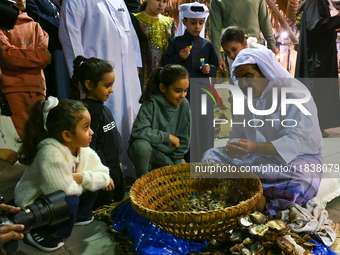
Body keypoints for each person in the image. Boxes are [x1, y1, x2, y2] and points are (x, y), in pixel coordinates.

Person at [202, 49, 323, 216]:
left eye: (248, 76)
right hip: (257, 157)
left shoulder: (295, 94)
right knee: (210, 156)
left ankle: (252, 196)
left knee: (301, 182)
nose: (243, 84)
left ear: (265, 72)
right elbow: (237, 132)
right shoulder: (244, 97)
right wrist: (236, 146)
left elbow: (293, 143)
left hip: (299, 158)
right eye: (239, 79)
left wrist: (252, 147)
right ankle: (254, 195)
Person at [14, 97, 111, 252]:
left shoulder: (82, 150)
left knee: (89, 180)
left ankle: (79, 215)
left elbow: (105, 175)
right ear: (67, 135)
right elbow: (62, 192)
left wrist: (81, 177)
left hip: (64, 189)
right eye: (86, 127)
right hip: (33, 201)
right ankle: (44, 233)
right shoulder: (50, 153)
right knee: (70, 200)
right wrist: (87, 178)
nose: (92, 132)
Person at [59, 0, 142, 174]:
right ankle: (105, 172)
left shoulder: (118, 0)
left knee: (129, 116)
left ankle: (128, 170)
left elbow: (131, 35)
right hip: (97, 77)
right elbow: (71, 38)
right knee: (101, 125)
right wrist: (82, 75)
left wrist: (136, 62)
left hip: (126, 71)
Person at [163, 2, 218, 162]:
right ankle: (184, 159)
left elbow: (214, 64)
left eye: (201, 22)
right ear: (185, 21)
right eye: (193, 22)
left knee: (203, 124)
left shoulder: (207, 45)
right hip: (182, 94)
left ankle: (204, 158)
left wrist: (210, 69)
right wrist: (178, 58)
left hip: (202, 91)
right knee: (185, 124)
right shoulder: (176, 43)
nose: (197, 26)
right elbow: (165, 66)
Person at [71, 56, 124, 209]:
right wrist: (103, 174)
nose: (111, 90)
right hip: (102, 172)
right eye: (107, 85)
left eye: (112, 85)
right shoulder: (86, 112)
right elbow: (90, 148)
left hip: (113, 168)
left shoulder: (102, 108)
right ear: (89, 84)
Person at [128, 64, 191, 178]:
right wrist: (167, 137)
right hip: (150, 152)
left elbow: (184, 137)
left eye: (185, 90)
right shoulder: (151, 102)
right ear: (163, 88)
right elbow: (138, 130)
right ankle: (142, 183)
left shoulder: (184, 104)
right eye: (178, 91)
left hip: (167, 157)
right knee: (141, 146)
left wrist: (177, 161)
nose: (182, 95)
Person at [0, 0, 51, 139]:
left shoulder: (37, 27)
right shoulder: (3, 25)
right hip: (12, 89)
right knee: (17, 140)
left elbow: (10, 55)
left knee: (37, 139)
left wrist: (18, 56)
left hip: (36, 89)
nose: (21, 0)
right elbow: (7, 56)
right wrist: (39, 58)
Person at [295, 0, 340, 138]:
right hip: (316, 60)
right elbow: (315, 25)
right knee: (317, 92)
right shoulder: (316, 1)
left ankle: (316, 126)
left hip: (318, 58)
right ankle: (314, 128)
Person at [209, 0, 276, 72]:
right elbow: (215, 29)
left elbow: (264, 21)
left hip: (253, 51)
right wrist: (217, 56)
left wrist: (271, 44)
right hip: (235, 52)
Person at [25, 0, 71, 99]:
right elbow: (38, 18)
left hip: (62, 44)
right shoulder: (29, 1)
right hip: (50, 47)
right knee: (58, 88)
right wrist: (65, 27)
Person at [131, 0, 175, 90]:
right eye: (158, 0)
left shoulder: (169, 22)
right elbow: (132, 47)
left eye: (164, 1)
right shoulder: (135, 19)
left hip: (165, 75)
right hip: (141, 73)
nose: (161, 4)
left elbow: (172, 51)